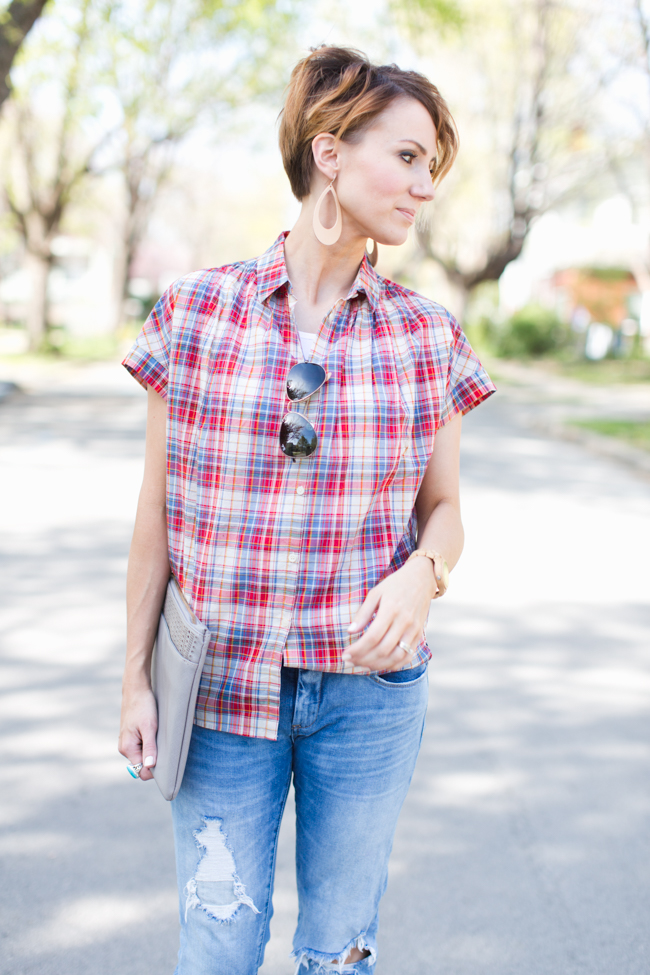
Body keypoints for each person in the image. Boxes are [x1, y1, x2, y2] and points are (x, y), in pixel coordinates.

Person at [118, 45, 495, 975]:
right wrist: (134, 680)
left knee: (338, 953)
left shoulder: (428, 335)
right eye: (406, 157)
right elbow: (155, 515)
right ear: (330, 152)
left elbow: (445, 508)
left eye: (431, 166)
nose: (425, 185)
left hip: (368, 695)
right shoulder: (196, 313)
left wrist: (424, 574)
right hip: (221, 685)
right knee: (217, 947)